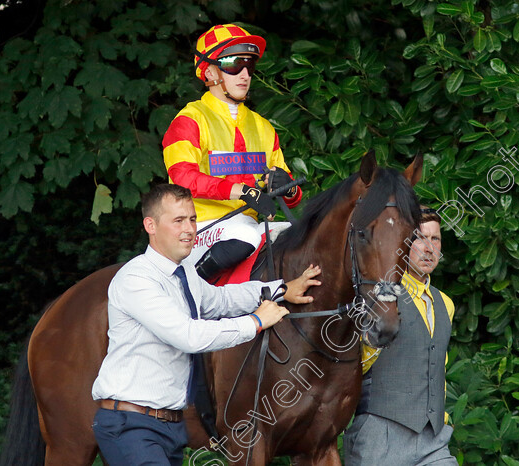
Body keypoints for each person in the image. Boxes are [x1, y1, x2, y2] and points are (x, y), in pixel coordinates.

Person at [91, 184, 321, 465]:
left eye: (192, 219)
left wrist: (281, 289)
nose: (189, 229)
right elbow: (189, 336)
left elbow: (221, 300)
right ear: (150, 225)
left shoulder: (184, 271)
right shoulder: (137, 279)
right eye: (178, 221)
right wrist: (256, 322)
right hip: (131, 424)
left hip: (170, 426)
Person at [162, 23, 303, 281]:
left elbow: (291, 195)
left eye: (249, 64)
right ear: (209, 71)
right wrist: (241, 191)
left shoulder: (264, 127)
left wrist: (288, 186)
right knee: (245, 235)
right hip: (197, 228)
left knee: (299, 237)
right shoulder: (189, 120)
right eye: (233, 63)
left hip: (246, 225)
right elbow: (182, 178)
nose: (245, 74)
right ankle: (182, 290)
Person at [344, 207, 458, 466]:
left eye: (435, 239)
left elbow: (436, 366)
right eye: (419, 237)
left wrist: (441, 418)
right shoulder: (380, 294)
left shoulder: (446, 304)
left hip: (433, 439)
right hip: (380, 434)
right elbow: (351, 363)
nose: (429, 248)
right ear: (403, 242)